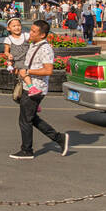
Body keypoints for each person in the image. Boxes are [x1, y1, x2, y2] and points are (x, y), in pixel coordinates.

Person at [9, 19, 70, 160]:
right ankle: (59, 138)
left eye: (34, 31)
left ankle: (27, 150)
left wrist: (28, 71)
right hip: (29, 86)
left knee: (25, 120)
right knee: (30, 118)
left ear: (42, 35)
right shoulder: (33, 45)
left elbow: (48, 70)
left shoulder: (45, 49)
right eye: (30, 29)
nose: (30, 33)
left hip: (36, 88)